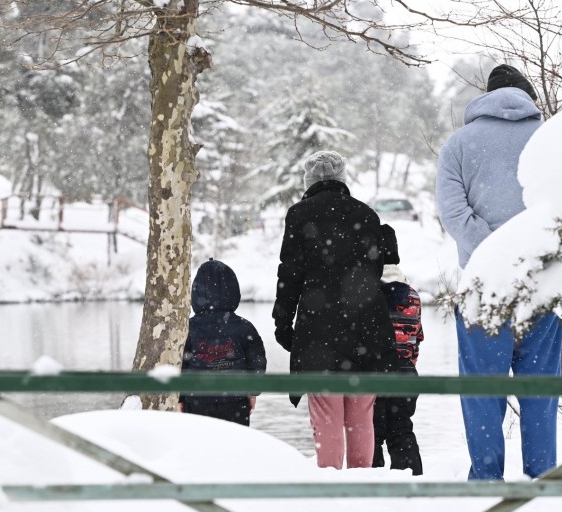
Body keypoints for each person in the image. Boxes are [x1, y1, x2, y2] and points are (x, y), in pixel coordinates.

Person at [436, 64, 562, 481]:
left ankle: (486, 482)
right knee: (540, 391)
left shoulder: (459, 144)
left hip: (482, 287)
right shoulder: (550, 140)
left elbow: (454, 213)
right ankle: (542, 479)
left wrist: (493, 254)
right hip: (541, 283)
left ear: (486, 97)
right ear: (528, 97)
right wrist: (529, 253)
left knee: (482, 391)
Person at [272, 150, 399, 469]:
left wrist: (283, 325)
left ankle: (329, 489)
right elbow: (376, 271)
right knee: (361, 415)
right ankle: (360, 490)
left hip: (320, 330)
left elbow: (290, 275)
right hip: (366, 328)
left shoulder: (299, 215)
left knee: (327, 414)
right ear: (343, 179)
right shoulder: (367, 215)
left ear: (309, 181)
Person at [179, 258, 267, 426]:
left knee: (200, 446)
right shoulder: (244, 327)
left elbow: (181, 365)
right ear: (233, 291)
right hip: (235, 400)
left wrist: (181, 397)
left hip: (197, 400)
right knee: (234, 446)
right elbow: (257, 361)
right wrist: (253, 392)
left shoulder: (188, 329)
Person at [372, 224, 424, 475]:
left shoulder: (367, 292)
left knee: (371, 433)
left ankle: (373, 486)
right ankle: (412, 482)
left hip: (374, 372)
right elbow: (417, 338)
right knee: (402, 429)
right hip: (405, 374)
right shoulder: (413, 295)